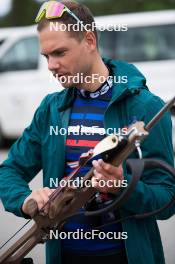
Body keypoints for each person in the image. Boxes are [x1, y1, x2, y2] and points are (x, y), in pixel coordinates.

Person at [0, 1, 174, 264]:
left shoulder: (147, 107)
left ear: (89, 40)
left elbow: (167, 199)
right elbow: (9, 171)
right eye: (46, 56)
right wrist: (26, 201)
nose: (51, 65)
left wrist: (122, 187)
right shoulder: (51, 109)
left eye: (60, 52)